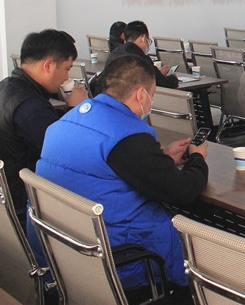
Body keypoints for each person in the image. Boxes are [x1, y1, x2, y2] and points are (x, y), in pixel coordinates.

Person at [32, 55, 208, 302]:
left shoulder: (68, 120)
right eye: (152, 95)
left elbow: (108, 165)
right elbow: (183, 191)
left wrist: (162, 158)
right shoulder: (127, 136)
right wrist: (198, 158)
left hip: (65, 249)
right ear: (140, 94)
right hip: (122, 259)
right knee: (203, 248)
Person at [0, 29, 87, 219]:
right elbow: (62, 153)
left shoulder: (7, 86)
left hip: (7, 195)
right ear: (48, 65)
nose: (66, 77)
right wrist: (75, 109)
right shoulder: (30, 107)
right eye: (66, 69)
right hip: (26, 204)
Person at [105, 20, 179, 88]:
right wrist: (173, 77)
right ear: (143, 38)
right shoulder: (140, 58)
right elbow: (162, 83)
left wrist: (157, 73)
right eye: (148, 40)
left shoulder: (114, 53)